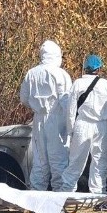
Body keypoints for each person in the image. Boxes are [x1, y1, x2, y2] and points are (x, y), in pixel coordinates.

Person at [18, 39, 72, 191]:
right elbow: (66, 100)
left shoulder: (31, 73)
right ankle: (60, 194)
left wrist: (37, 108)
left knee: (40, 159)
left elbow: (24, 98)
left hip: (38, 119)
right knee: (58, 158)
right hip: (57, 118)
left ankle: (36, 193)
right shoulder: (60, 74)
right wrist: (70, 121)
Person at [60, 54, 107, 194]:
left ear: (85, 68)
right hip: (101, 126)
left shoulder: (78, 83)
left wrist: (70, 130)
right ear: (99, 68)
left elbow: (71, 109)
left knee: (76, 160)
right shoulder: (106, 84)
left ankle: (67, 190)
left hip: (82, 124)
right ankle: (98, 192)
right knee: (100, 161)